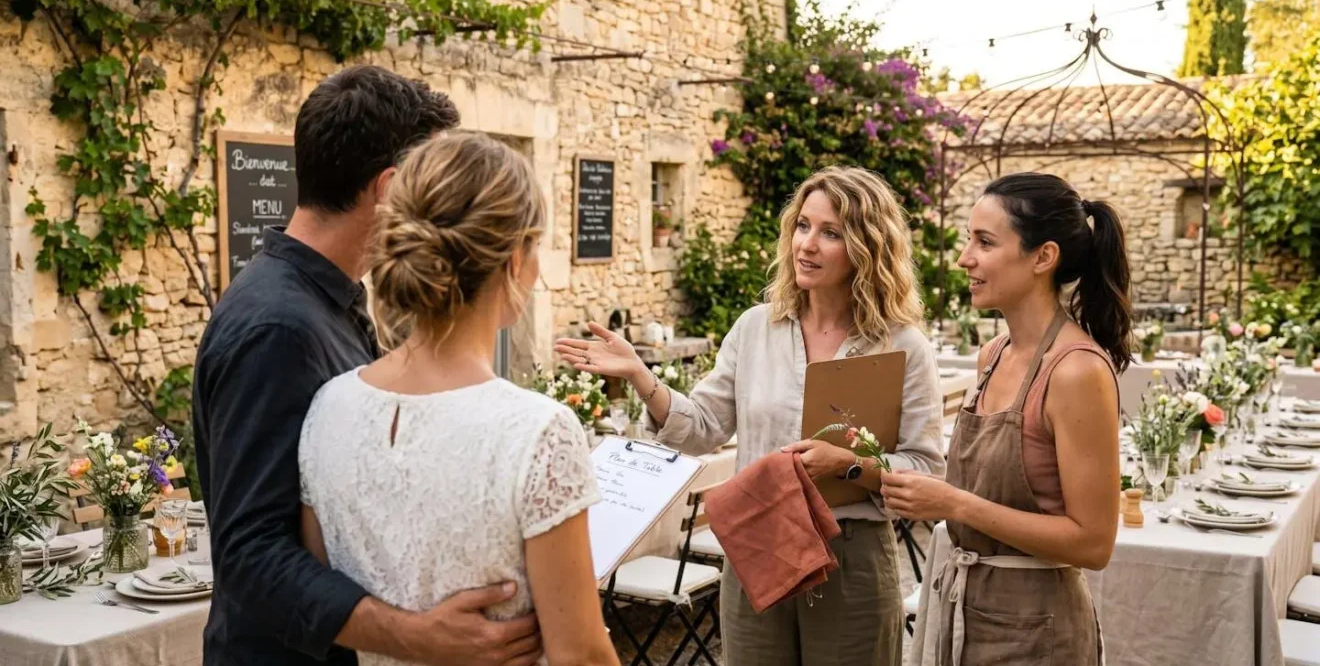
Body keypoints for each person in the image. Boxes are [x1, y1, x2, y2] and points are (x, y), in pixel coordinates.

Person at [193, 66, 542, 666]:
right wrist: (413, 636)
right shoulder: (279, 328)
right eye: (430, 182)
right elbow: (249, 550)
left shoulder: (322, 302)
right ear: (390, 187)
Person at [555, 165, 946, 666]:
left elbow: (925, 469)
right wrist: (639, 375)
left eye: (830, 233)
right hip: (758, 544)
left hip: (852, 554)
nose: (807, 244)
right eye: (802, 225)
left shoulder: (903, 345)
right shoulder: (755, 328)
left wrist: (849, 464)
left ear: (867, 247)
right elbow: (702, 429)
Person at [298, 132, 619, 666]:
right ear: (514, 259)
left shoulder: (328, 408)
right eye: (536, 247)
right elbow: (581, 656)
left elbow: (326, 592)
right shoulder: (536, 431)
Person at [881, 172, 1127, 665]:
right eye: (968, 239)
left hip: (1039, 633)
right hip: (967, 616)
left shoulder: (1076, 371)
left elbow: (1094, 543)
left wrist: (955, 504)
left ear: (1043, 257)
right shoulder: (992, 355)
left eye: (985, 242)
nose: (964, 258)